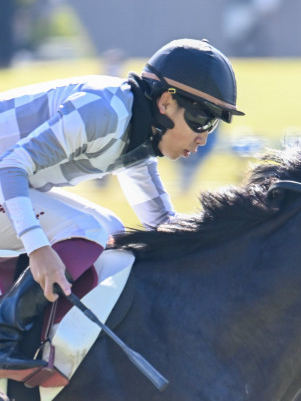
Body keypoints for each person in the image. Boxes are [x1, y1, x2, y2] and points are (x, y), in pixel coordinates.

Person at [0, 38, 244, 373]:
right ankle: (5, 337)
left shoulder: (135, 133)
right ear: (166, 102)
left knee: (112, 230)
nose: (203, 137)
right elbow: (10, 168)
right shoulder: (105, 111)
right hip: (6, 173)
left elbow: (161, 223)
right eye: (202, 119)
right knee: (86, 230)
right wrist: (40, 249)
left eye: (213, 124)